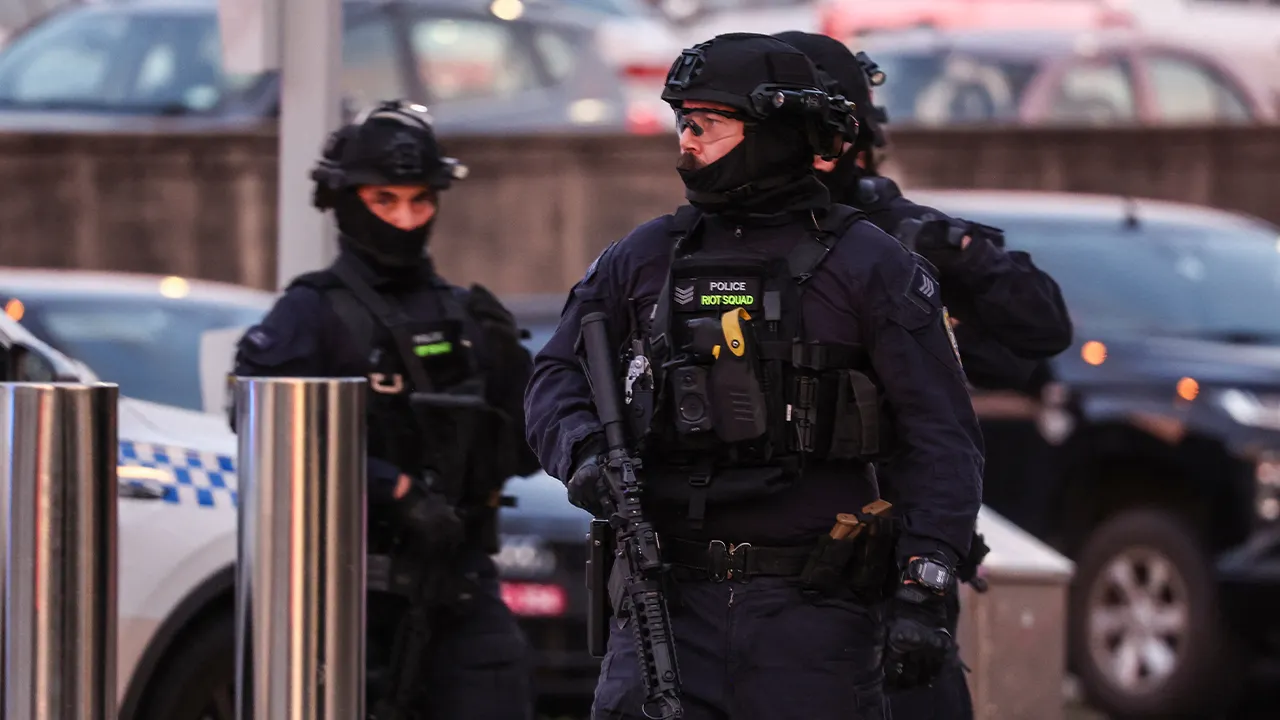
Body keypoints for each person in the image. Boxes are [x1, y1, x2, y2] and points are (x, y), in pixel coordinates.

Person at [524, 33, 984, 720]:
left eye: (707, 124)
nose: (686, 141)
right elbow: (555, 375)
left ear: (771, 131)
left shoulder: (870, 266)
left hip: (813, 623)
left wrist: (926, 583)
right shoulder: (644, 258)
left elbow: (942, 438)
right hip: (665, 606)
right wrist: (583, 454)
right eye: (683, 122)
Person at [773, 30, 1075, 720]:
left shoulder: (899, 241)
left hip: (888, 566)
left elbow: (1038, 329)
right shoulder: (718, 247)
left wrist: (958, 252)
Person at [231, 100, 539, 720]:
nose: (404, 219)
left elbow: (532, 445)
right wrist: (391, 488)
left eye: (420, 201)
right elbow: (266, 431)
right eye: (384, 201)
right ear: (344, 201)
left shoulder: (469, 317)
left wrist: (512, 391)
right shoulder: (309, 315)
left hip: (460, 586)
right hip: (348, 593)